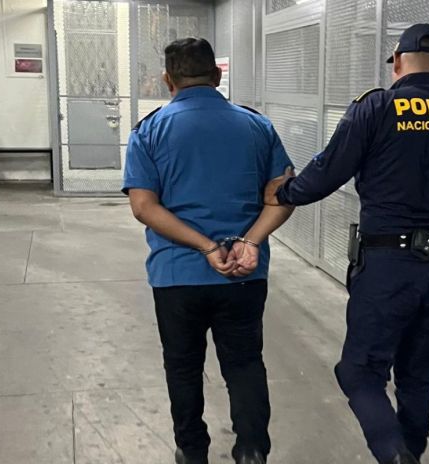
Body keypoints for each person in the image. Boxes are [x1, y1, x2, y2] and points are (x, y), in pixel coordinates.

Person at [265, 24, 429, 464]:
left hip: (388, 264)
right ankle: (412, 451)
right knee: (417, 376)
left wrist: (284, 192)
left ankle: (394, 455)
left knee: (359, 372)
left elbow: (329, 170)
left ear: (398, 63)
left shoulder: (378, 107)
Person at [123, 38, 294, 464]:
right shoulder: (258, 127)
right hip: (244, 275)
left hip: (176, 276)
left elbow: (144, 207)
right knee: (244, 364)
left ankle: (192, 452)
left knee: (182, 367)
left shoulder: (149, 130)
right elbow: (282, 196)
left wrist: (204, 246)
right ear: (217, 77)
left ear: (168, 80)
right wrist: (249, 242)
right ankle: (252, 451)